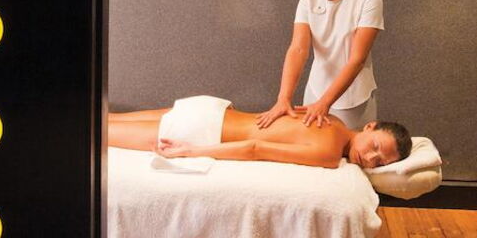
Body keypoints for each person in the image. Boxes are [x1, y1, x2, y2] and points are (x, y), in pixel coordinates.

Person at [258, 0, 384, 131]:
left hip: (353, 100)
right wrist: (284, 98)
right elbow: (298, 49)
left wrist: (325, 103)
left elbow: (357, 59)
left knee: (350, 150)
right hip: (315, 93)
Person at [108, 99, 410, 169]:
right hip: (205, 129)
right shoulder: (329, 154)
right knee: (99, 130)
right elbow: (255, 148)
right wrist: (190, 151)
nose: (370, 158)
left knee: (104, 117)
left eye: (380, 162)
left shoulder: (328, 116)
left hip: (213, 108)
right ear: (370, 126)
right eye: (375, 146)